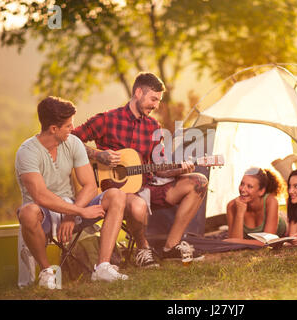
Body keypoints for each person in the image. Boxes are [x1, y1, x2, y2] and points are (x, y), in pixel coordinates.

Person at [72, 72, 208, 266]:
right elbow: (71, 139)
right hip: (115, 191)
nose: (156, 105)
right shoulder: (107, 119)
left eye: (158, 101)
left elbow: (159, 168)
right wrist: (97, 154)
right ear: (138, 92)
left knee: (198, 182)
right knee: (138, 206)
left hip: (146, 185)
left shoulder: (154, 126)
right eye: (153, 99)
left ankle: (171, 247)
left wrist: (180, 169)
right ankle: (142, 249)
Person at [15, 96, 129, 289]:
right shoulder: (27, 152)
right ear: (53, 129)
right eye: (68, 126)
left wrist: (72, 212)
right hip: (43, 213)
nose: (71, 129)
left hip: (72, 207)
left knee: (116, 195)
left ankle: (102, 267)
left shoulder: (73, 142)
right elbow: (40, 196)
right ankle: (47, 273)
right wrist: (81, 212)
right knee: (26, 212)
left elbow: (90, 185)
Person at [224, 167, 288, 246]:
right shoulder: (232, 206)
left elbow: (268, 242)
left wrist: (236, 241)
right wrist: (240, 213)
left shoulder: (271, 201)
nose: (243, 189)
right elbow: (233, 243)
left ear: (261, 191)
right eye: (242, 184)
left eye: (249, 186)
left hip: (284, 223)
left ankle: (285, 170)